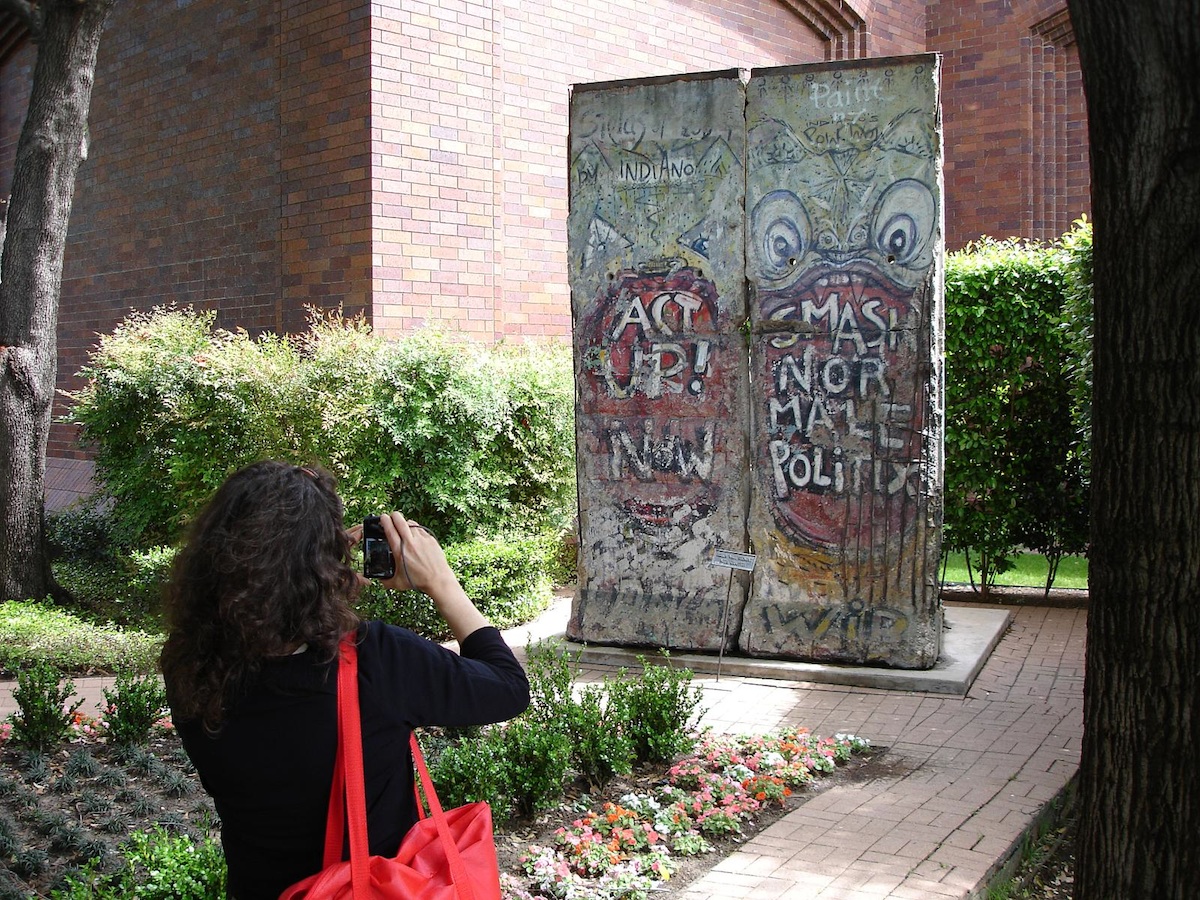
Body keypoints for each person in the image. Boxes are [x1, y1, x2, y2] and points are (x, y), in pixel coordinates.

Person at [160, 461, 530, 899]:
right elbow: (508, 687)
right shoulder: (376, 662)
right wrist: (443, 584)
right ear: (321, 566)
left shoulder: (190, 663)